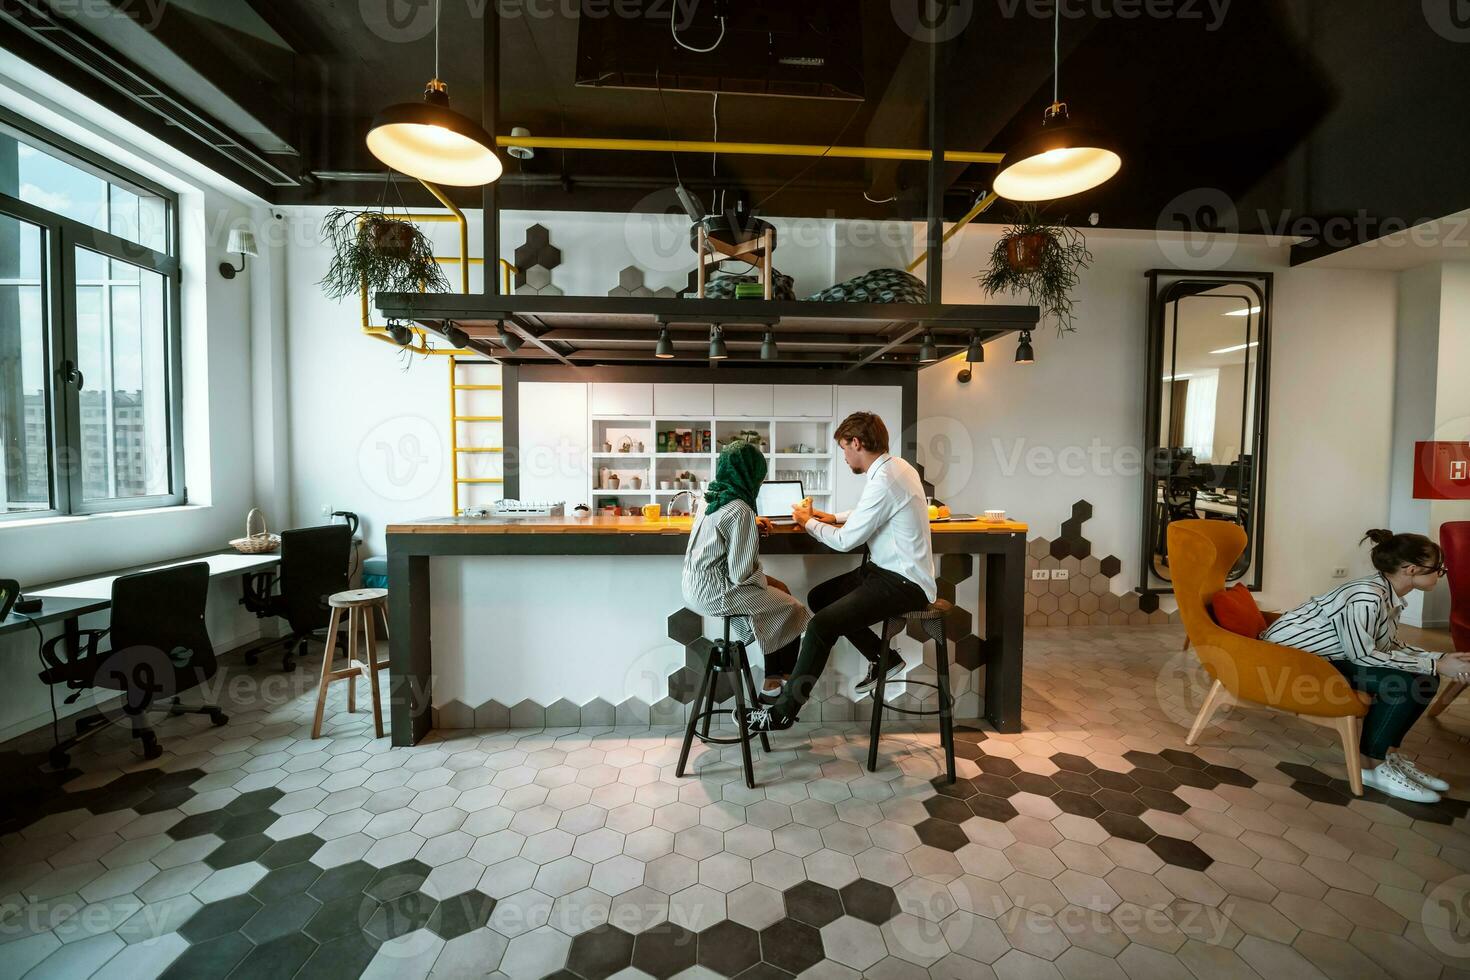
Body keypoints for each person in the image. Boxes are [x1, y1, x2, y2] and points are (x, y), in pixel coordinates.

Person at [744, 411, 935, 732]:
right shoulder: (896, 467)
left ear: (857, 443)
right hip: (884, 571)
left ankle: (782, 712)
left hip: (905, 582)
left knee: (820, 626)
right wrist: (829, 516)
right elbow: (867, 511)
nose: (845, 457)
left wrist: (809, 523)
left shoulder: (887, 478)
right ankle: (883, 657)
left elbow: (846, 541)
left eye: (845, 448)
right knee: (821, 597)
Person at [1262, 529, 1470, 803]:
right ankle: (1369, 766)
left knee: (1425, 677)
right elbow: (1363, 656)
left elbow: (1388, 646)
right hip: (1292, 660)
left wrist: (1438, 660)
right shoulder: (1366, 597)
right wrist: (1435, 663)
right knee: (1402, 685)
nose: (1441, 575)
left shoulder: (1387, 594)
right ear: (1411, 569)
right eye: (1438, 569)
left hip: (1329, 657)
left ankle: (1388, 755)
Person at [682, 442, 811, 700]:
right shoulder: (740, 510)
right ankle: (778, 686)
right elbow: (742, 574)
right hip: (718, 590)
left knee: (778, 596)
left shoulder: (712, 497)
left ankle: (775, 682)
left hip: (694, 586)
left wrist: (750, 523)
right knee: (792, 608)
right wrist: (748, 526)